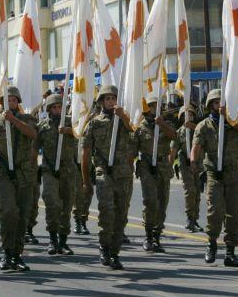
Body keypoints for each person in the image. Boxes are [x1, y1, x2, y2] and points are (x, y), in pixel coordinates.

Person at [0, 86, 38, 271]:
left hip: (24, 174)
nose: (10, 103)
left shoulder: (27, 119)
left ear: (18, 103)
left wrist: (13, 121)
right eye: (7, 100)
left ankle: (17, 254)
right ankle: (6, 253)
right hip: (3, 173)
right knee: (8, 212)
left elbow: (33, 135)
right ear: (1, 103)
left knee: (22, 215)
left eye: (13, 100)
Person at [191, 89, 238, 267]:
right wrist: (193, 161)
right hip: (214, 173)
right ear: (210, 105)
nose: (219, 106)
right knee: (214, 211)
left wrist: (230, 119)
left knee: (233, 214)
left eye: (222, 103)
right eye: (216, 103)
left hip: (234, 174)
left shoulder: (234, 123)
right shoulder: (204, 126)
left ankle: (230, 252)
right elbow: (196, 146)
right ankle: (211, 243)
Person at [81, 85, 133, 270]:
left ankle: (115, 252)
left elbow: (133, 131)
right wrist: (86, 180)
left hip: (123, 173)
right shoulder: (94, 123)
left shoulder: (124, 120)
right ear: (102, 101)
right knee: (107, 211)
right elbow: (86, 154)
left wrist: (124, 116)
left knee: (121, 215)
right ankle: (104, 247)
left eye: (114, 98)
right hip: (104, 172)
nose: (111, 101)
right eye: (108, 98)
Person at [131, 96, 176, 252]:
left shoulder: (166, 123)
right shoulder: (139, 127)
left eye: (158, 105)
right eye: (152, 106)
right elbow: (132, 151)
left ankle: (157, 237)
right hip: (146, 166)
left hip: (163, 166)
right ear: (146, 108)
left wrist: (161, 124)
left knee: (162, 203)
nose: (155, 108)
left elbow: (173, 136)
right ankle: (148, 236)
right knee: (151, 201)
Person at [36, 94, 76, 255]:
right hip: (49, 169)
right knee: (52, 203)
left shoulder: (71, 123)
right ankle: (52, 239)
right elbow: (34, 146)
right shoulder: (42, 126)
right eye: (53, 107)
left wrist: (68, 131)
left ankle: (63, 241)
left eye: (59, 107)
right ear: (48, 109)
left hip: (68, 170)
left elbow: (83, 133)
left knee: (66, 206)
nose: (57, 110)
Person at [170, 105, 204, 233]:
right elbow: (173, 151)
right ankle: (190, 219)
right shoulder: (179, 132)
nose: (187, 117)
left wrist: (194, 128)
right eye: (185, 115)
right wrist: (169, 167)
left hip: (199, 164)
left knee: (197, 193)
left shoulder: (200, 129)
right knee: (190, 191)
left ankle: (195, 219)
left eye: (190, 114)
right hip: (185, 163)